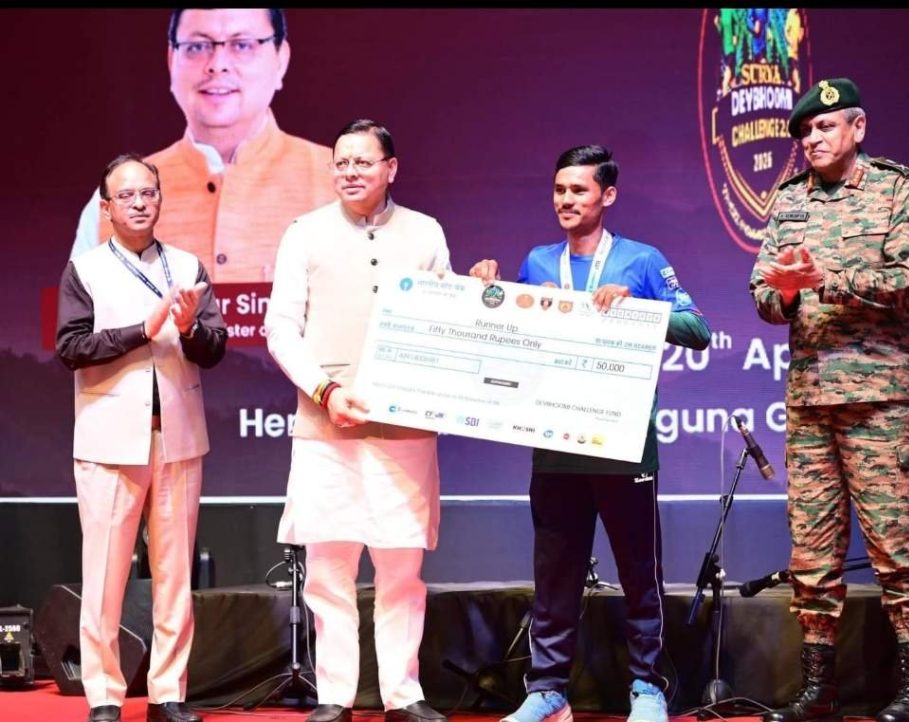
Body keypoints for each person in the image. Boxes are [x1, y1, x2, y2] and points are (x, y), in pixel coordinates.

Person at [468, 145, 711, 722]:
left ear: (608, 195)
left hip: (624, 446)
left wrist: (639, 309)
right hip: (555, 444)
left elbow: (697, 329)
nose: (566, 200)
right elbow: (516, 338)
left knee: (639, 573)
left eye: (579, 190)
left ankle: (647, 687)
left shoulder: (641, 260)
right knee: (555, 576)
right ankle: (548, 692)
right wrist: (486, 295)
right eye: (559, 190)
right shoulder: (538, 262)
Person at [749, 78, 909, 722]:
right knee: (812, 550)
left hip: (878, 397)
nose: (813, 138)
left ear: (859, 127)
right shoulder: (789, 199)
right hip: (809, 398)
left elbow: (905, 282)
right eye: (805, 131)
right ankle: (818, 689)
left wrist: (827, 278)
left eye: (826, 126)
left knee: (893, 543)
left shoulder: (895, 189)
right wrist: (787, 292)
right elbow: (763, 294)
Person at [264, 119, 450, 722]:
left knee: (401, 569)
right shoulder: (304, 233)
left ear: (391, 168)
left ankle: (403, 693)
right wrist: (324, 390)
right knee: (328, 569)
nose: (350, 172)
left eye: (363, 162)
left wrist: (477, 295)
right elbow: (280, 328)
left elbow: (446, 322)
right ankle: (335, 696)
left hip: (405, 429)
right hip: (327, 426)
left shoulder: (425, 232)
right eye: (341, 163)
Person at [56, 153, 228, 722]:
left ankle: (168, 693)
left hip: (177, 438)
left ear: (160, 200)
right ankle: (105, 694)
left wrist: (189, 327)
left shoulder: (188, 265)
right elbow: (71, 348)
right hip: (108, 441)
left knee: (174, 575)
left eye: (147, 193)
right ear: (106, 208)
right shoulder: (85, 270)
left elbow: (215, 349)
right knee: (105, 574)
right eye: (125, 195)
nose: (138, 203)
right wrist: (143, 330)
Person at [70, 8, 335, 282]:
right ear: (172, 61)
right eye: (197, 46)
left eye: (242, 45)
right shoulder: (116, 199)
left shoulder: (339, 186)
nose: (217, 65)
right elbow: (77, 309)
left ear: (281, 59)